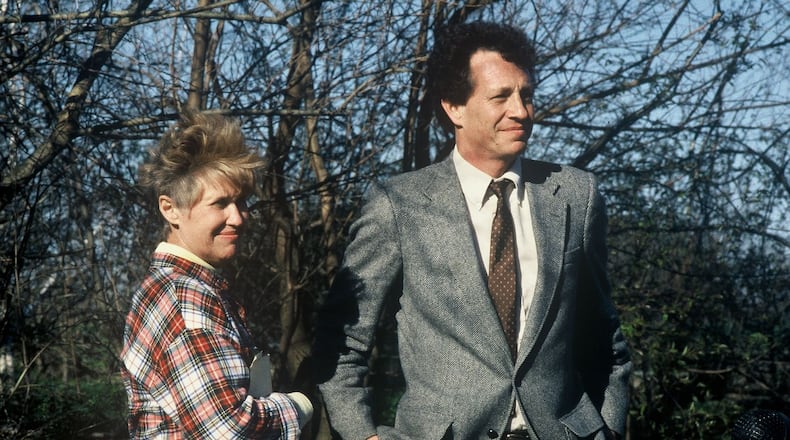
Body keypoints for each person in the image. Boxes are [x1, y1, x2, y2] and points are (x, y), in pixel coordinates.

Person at [314, 22, 631, 440]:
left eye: (526, 95)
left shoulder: (575, 195)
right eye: (501, 97)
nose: (521, 111)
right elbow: (341, 341)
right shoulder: (399, 205)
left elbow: (605, 342)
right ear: (454, 108)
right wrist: (363, 435)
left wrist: (607, 430)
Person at [121, 110, 312, 439]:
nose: (238, 218)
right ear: (170, 209)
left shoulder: (181, 287)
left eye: (242, 202)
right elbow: (229, 429)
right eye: (220, 203)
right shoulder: (184, 297)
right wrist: (301, 405)